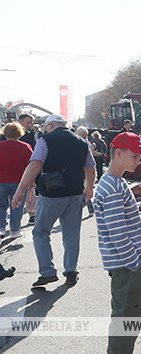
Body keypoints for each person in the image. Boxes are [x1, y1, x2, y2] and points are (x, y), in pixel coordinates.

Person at [12, 114, 95, 287]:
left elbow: (35, 165)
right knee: (71, 234)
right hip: (74, 193)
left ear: (50, 125)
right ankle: (71, 271)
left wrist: (20, 190)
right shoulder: (81, 141)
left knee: (41, 232)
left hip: (51, 194)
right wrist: (89, 188)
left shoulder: (45, 140)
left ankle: (48, 272)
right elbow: (90, 166)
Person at [93, 131, 141, 354]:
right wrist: (134, 263)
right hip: (126, 266)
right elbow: (118, 234)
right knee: (126, 320)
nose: (139, 161)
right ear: (118, 153)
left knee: (125, 317)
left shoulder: (113, 182)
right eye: (135, 156)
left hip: (124, 264)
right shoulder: (113, 187)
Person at [0, 122, 33, 239]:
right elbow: (31, 165)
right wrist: (32, 182)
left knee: (1, 205)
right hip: (19, 180)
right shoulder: (25, 147)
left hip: (1, 179)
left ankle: (1, 228)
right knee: (17, 205)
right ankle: (15, 230)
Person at [76, 127, 96, 217]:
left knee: (86, 192)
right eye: (83, 136)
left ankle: (90, 209)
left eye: (85, 136)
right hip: (79, 173)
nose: (85, 138)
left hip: (85, 173)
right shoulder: (76, 143)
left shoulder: (85, 144)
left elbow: (90, 166)